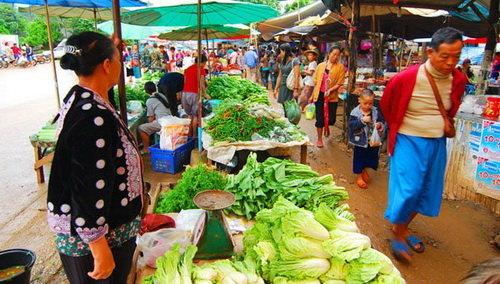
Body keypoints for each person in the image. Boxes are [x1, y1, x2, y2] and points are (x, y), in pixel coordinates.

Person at [48, 31, 144, 283]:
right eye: (118, 60)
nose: (121, 66)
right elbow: (88, 185)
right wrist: (98, 247)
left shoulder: (84, 97)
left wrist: (108, 47)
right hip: (96, 241)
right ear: (106, 65)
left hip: (104, 232)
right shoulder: (93, 116)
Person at [380, 27, 467, 263]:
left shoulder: (459, 79)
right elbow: (387, 106)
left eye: (456, 57)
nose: (451, 62)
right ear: (430, 52)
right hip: (408, 138)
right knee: (409, 188)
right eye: (445, 56)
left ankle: (403, 226)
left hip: (436, 141)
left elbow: (453, 105)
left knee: (427, 190)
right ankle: (398, 234)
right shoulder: (405, 78)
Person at [348, 89, 385, 189]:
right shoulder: (355, 113)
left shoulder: (375, 111)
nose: (368, 106)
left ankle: (365, 170)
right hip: (360, 141)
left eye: (370, 103)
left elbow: (382, 121)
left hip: (372, 141)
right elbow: (351, 125)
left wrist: (380, 125)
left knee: (371, 157)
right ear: (359, 100)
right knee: (359, 158)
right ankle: (359, 176)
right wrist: (362, 121)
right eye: (365, 103)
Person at [310, 46, 345, 148]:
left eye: (338, 55)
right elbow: (316, 82)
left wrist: (329, 90)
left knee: (331, 119)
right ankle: (320, 139)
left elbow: (339, 83)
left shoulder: (340, 67)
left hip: (331, 96)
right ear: (329, 54)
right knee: (320, 118)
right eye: (334, 54)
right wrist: (312, 95)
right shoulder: (320, 66)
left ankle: (326, 128)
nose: (335, 57)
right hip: (319, 95)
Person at [139, 82, 172, 153]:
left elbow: (151, 118)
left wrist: (150, 125)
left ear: (145, 91)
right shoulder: (161, 95)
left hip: (162, 123)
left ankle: (146, 148)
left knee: (142, 128)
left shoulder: (149, 101)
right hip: (170, 120)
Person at [182, 55, 211, 138]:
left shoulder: (187, 69)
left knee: (189, 115)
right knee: (195, 116)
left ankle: (189, 134)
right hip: (194, 93)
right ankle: (195, 135)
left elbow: (185, 82)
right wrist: (205, 94)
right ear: (203, 62)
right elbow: (201, 83)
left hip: (185, 93)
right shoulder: (200, 69)